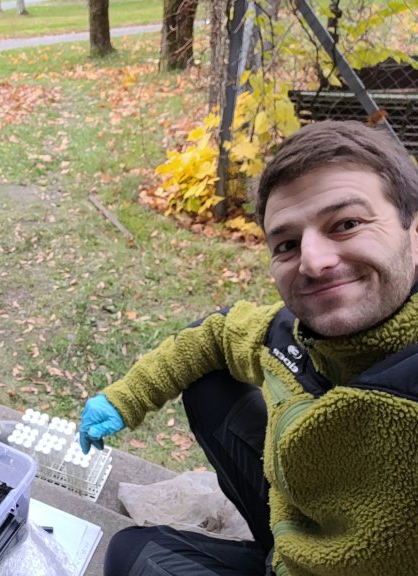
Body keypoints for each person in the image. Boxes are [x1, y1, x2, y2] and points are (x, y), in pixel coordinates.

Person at [79, 119, 418, 575]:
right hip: (298, 524)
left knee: (131, 559)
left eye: (347, 223)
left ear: (413, 231)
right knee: (205, 386)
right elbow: (216, 333)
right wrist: (125, 397)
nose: (314, 262)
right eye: (287, 244)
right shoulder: (289, 333)